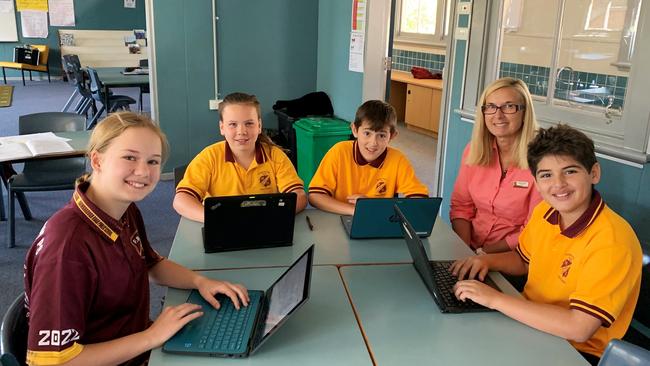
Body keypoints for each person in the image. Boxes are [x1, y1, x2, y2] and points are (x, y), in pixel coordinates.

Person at [24, 112, 250, 366]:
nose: (143, 171)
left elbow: (150, 264)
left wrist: (200, 281)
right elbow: (51, 363)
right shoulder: (67, 246)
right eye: (130, 157)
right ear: (97, 160)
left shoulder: (123, 207)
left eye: (153, 161)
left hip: (137, 343)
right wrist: (151, 337)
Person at [450, 124, 642, 365]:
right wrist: (484, 260)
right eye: (546, 175)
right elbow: (523, 260)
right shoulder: (545, 211)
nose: (558, 184)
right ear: (536, 182)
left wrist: (494, 299)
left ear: (594, 173)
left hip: (577, 351)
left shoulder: (612, 241)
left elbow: (579, 328)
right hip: (532, 322)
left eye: (570, 171)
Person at [173, 92, 307, 222]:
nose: (242, 131)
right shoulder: (209, 157)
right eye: (233, 124)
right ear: (222, 128)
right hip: (222, 226)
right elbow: (181, 200)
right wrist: (216, 220)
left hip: (263, 224)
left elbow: (299, 196)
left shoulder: (275, 156)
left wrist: (273, 216)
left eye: (249, 123)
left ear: (259, 126)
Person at [450, 77, 542, 254]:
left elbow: (533, 229)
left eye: (509, 106)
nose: (498, 115)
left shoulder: (542, 161)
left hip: (515, 256)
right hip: (470, 247)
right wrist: (462, 251)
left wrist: (485, 253)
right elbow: (462, 207)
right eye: (491, 107)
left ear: (525, 112)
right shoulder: (473, 150)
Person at [308, 100, 429, 215]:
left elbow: (420, 200)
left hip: (378, 219)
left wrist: (372, 206)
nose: (373, 143)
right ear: (354, 130)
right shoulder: (338, 152)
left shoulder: (398, 160)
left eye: (381, 135)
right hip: (338, 217)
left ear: (392, 136)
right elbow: (315, 196)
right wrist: (355, 210)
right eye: (367, 133)